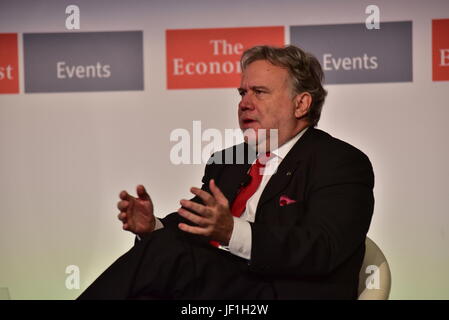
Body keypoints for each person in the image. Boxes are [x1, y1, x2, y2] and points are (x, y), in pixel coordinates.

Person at [78, 45, 374, 300]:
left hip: (284, 292)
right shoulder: (230, 160)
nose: (244, 103)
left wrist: (232, 232)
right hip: (223, 293)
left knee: (166, 254)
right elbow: (198, 225)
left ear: (301, 103)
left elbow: (321, 249)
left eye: (259, 92)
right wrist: (152, 228)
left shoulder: (341, 162)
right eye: (242, 92)